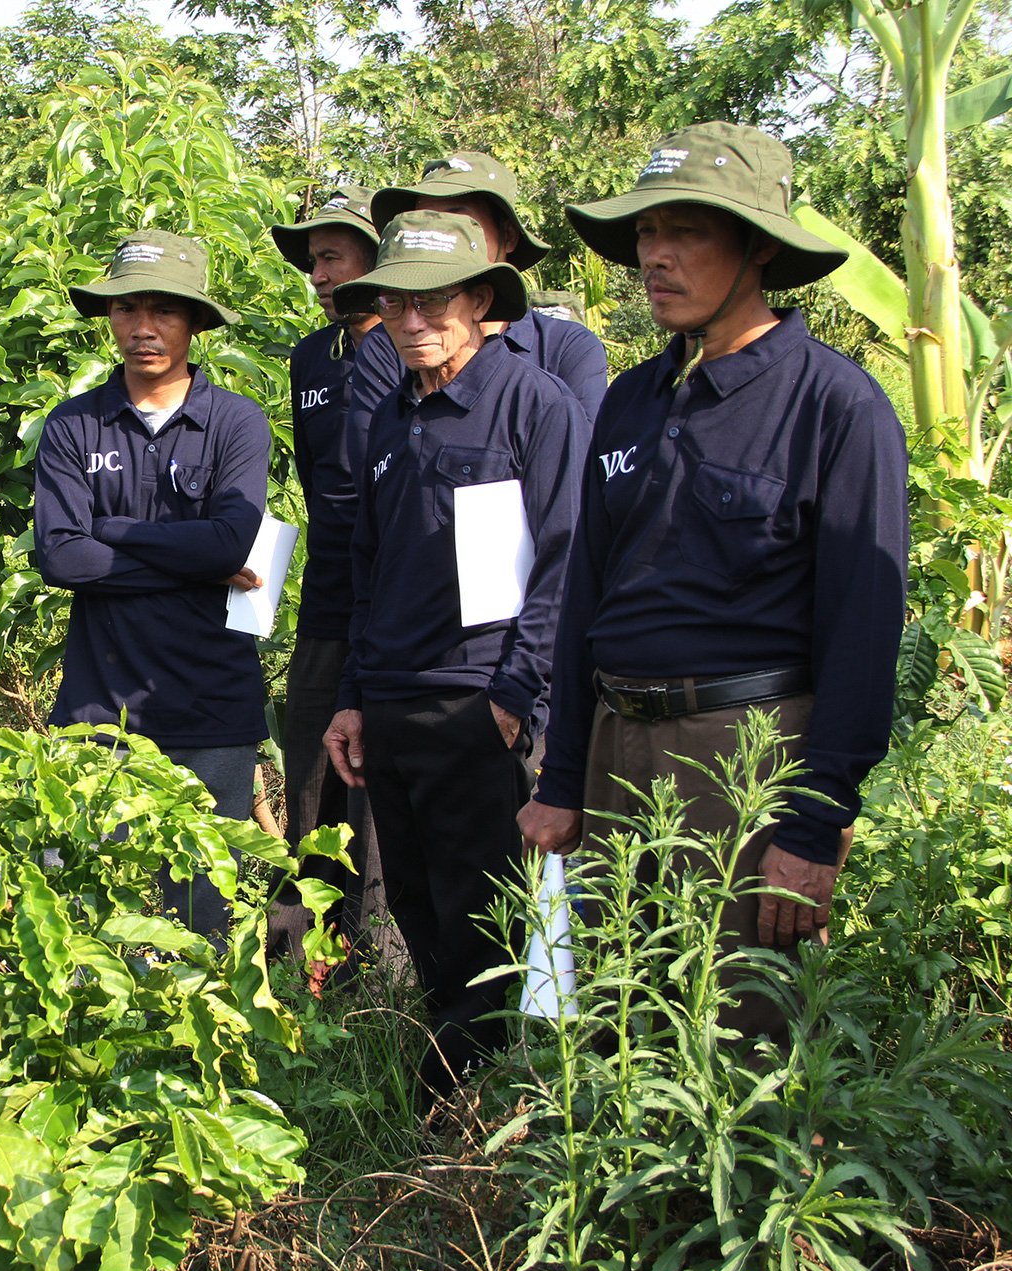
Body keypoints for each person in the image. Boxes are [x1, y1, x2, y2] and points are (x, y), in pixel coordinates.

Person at [518, 123, 908, 1039]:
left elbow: (863, 633)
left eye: (685, 230)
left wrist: (813, 828)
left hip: (743, 755)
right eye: (647, 233)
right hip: (620, 747)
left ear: (759, 247)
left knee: (735, 1035)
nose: (655, 255)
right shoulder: (630, 399)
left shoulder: (834, 405)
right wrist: (564, 772)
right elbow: (588, 598)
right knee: (619, 1022)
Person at [322, 212, 589, 1104]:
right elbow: (368, 566)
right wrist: (353, 695)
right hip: (393, 703)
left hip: (480, 704)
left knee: (490, 918)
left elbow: (564, 563)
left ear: (480, 300)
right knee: (418, 907)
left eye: (435, 298)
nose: (413, 318)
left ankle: (496, 1103)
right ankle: (451, 1101)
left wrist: (516, 695)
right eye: (397, 300)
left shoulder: (533, 404)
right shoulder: (389, 416)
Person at [33, 229, 271, 941]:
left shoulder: (235, 423)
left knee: (202, 916)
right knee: (86, 913)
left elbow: (232, 541)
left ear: (194, 322)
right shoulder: (73, 425)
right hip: (97, 710)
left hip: (212, 705)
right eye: (127, 309)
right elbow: (61, 560)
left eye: (163, 311)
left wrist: (107, 529)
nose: (143, 328)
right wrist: (192, 559)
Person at [267, 188, 385, 972]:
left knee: (378, 779)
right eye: (313, 260)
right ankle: (300, 950)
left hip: (396, 597)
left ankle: (380, 958)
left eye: (333, 255)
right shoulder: (311, 359)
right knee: (310, 762)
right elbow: (317, 480)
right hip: (328, 598)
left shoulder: (402, 353)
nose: (319, 272)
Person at [361, 151, 610, 423]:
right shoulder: (388, 342)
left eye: (460, 221)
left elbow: (576, 456)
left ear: (509, 236)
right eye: (426, 220)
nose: (442, 232)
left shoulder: (565, 347)